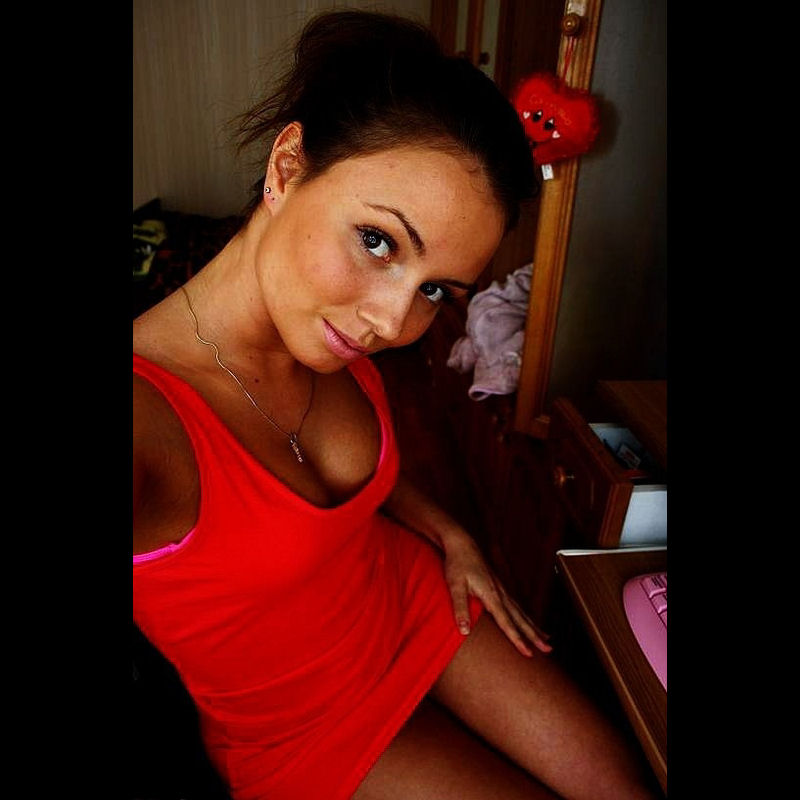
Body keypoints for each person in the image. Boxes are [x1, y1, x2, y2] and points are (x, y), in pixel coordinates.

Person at [133, 10, 659, 800]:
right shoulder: (147, 416)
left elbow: (347, 490)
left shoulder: (324, 334)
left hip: (413, 599)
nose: (390, 322)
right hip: (303, 734)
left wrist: (450, 533)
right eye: (378, 241)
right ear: (287, 166)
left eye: (436, 290)